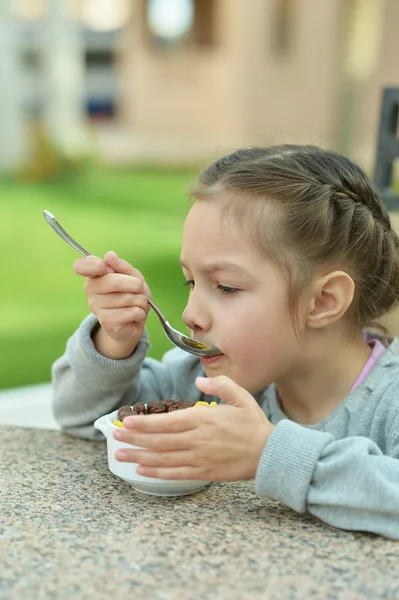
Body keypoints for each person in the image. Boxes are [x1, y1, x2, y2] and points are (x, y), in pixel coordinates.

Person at [52, 145, 399, 539]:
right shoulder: (205, 386)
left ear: (322, 301)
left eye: (227, 287)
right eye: (191, 281)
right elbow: (84, 419)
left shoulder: (390, 399)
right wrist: (113, 343)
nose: (190, 314)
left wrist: (270, 453)